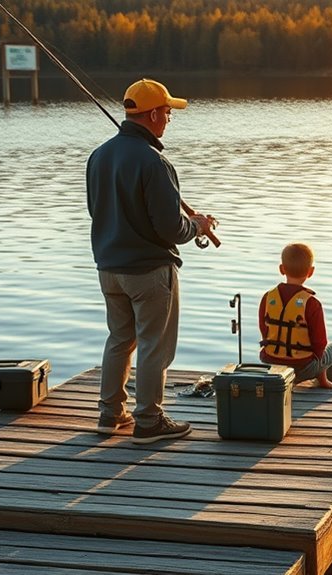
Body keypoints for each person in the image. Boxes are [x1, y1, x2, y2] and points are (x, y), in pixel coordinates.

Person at [86, 78, 214, 444]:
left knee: (119, 339)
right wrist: (198, 226)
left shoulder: (99, 155)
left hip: (109, 270)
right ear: (154, 113)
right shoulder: (155, 163)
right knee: (154, 345)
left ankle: (110, 415)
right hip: (149, 272)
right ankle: (148, 420)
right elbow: (172, 229)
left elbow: (96, 210)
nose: (170, 119)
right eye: (168, 113)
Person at [258, 243, 332, 389]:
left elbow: (265, 333)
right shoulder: (312, 303)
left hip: (272, 367)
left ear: (281, 269)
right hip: (302, 370)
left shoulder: (268, 298)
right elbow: (319, 346)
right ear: (311, 271)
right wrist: (322, 378)